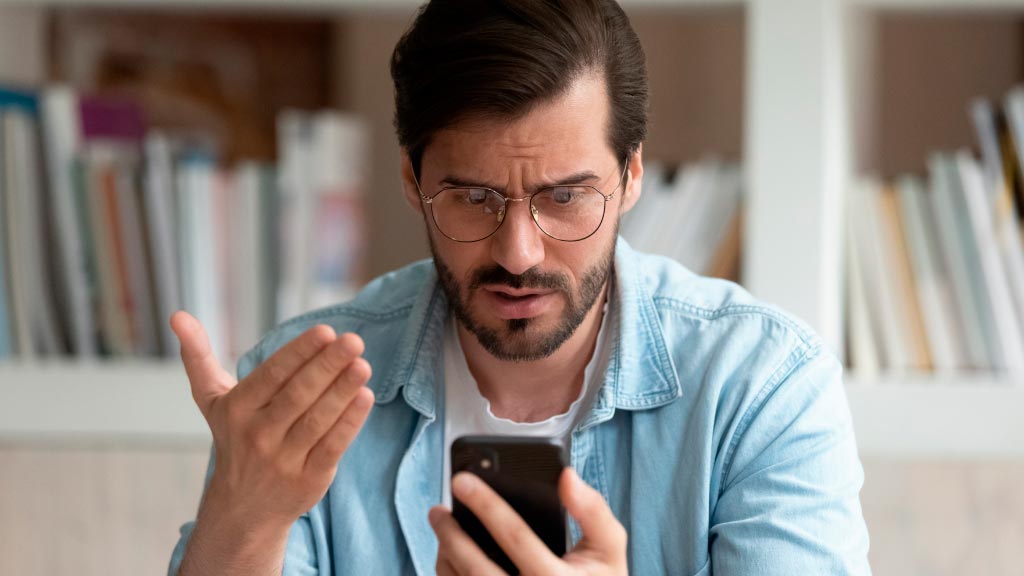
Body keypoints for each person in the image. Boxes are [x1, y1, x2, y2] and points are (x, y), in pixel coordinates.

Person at [168, 0, 872, 574]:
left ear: (631, 177)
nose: (518, 252)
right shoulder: (300, 384)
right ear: (412, 182)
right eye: (473, 197)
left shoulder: (761, 382)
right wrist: (242, 519)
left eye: (565, 197)